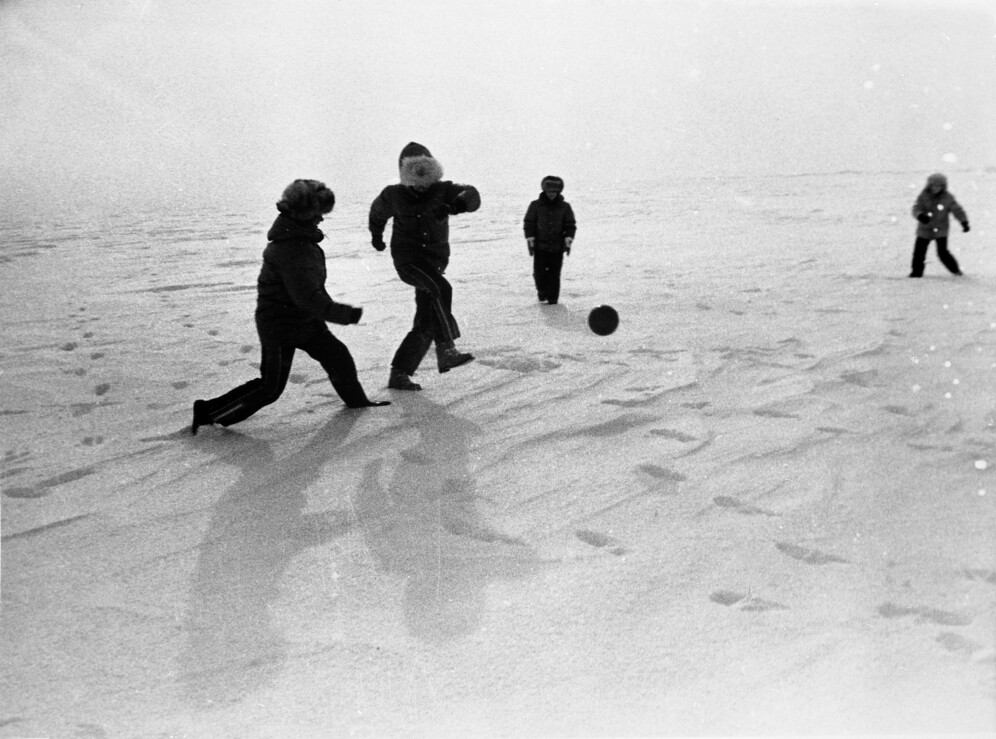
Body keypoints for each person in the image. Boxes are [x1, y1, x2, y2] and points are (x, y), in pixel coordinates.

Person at [191, 179, 389, 434]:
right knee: (270, 388)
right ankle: (208, 413)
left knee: (337, 357)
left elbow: (311, 292)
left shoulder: (304, 242)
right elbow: (307, 297)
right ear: (302, 214)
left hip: (305, 320)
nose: (321, 219)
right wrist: (345, 314)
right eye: (318, 213)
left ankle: (358, 405)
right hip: (279, 325)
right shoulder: (291, 249)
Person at [369, 142, 481, 391]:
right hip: (408, 261)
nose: (421, 183)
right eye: (413, 176)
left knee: (426, 321)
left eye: (426, 175)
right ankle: (446, 348)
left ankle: (399, 374)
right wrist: (377, 236)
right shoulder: (393, 195)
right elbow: (377, 213)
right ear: (404, 175)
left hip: (434, 262)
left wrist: (456, 206)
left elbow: (472, 195)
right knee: (441, 289)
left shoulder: (444, 190)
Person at [523, 175, 576, 304]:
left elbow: (570, 225)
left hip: (557, 247)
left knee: (554, 274)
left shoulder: (565, 207)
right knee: (539, 273)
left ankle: (553, 299)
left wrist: (569, 237)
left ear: (558, 193)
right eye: (549, 192)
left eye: (554, 192)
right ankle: (542, 291)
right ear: (545, 191)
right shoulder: (535, 206)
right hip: (540, 247)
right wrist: (530, 237)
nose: (551, 194)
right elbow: (529, 223)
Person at [909, 172, 970, 278]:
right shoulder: (924, 195)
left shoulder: (947, 197)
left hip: (941, 230)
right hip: (924, 229)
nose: (936, 188)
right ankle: (916, 273)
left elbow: (957, 210)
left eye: (939, 186)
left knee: (943, 253)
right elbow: (916, 208)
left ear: (943, 186)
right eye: (933, 185)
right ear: (929, 185)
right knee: (919, 253)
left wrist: (963, 222)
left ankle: (956, 271)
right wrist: (920, 216)